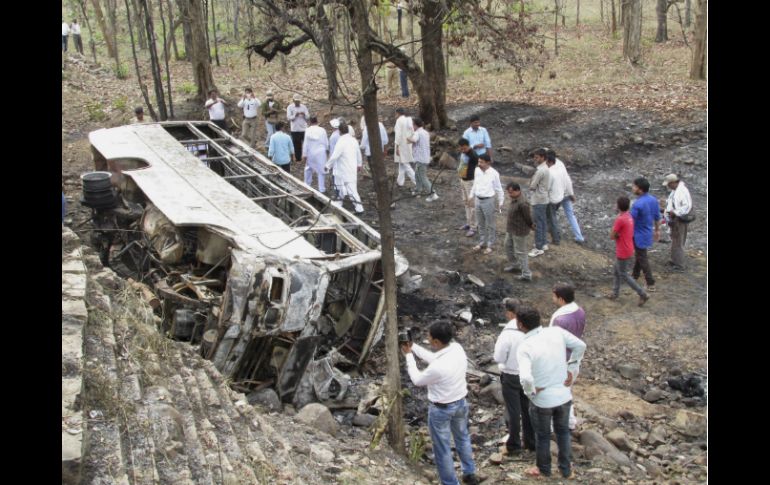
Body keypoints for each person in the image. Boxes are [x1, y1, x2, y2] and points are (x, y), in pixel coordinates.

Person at [401, 321, 480, 485]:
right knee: (463, 438)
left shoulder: (437, 368)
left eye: (429, 337)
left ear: (436, 342)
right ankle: (469, 473)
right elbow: (434, 357)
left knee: (442, 448)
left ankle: (450, 482)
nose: (427, 338)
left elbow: (417, 380)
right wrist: (414, 347)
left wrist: (409, 356)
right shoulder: (457, 348)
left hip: (442, 410)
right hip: (460, 403)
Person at [516, 306, 586, 479]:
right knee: (563, 433)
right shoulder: (556, 331)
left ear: (520, 324)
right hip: (563, 395)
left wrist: (530, 392)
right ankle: (566, 469)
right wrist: (572, 366)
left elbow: (525, 378)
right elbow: (580, 345)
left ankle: (544, 469)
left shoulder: (524, 346)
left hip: (542, 400)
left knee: (543, 435)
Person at [494, 298, 536, 456]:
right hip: (529, 375)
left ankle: (514, 445)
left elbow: (498, 357)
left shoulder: (508, 332)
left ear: (510, 313)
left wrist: (504, 364)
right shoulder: (533, 328)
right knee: (528, 409)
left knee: (513, 411)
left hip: (511, 375)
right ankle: (531, 442)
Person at [548, 283, 586, 430]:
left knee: (554, 393)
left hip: (561, 360)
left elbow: (553, 341)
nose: (552, 298)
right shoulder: (580, 311)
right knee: (567, 392)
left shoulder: (560, 319)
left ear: (561, 299)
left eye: (554, 296)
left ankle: (553, 425)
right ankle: (570, 422)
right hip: (574, 358)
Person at [608, 196, 650, 306]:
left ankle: (642, 294)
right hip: (628, 247)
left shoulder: (620, 219)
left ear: (618, 206)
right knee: (617, 271)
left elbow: (612, 236)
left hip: (622, 250)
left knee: (623, 274)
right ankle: (615, 293)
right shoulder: (629, 216)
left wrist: (615, 230)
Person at [546, 149, 585, 244]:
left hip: (557, 195)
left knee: (552, 215)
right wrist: (571, 194)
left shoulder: (549, 168)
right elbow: (567, 179)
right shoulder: (560, 164)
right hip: (566, 193)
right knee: (570, 215)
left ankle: (553, 233)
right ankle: (579, 237)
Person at [326, 122, 364, 213]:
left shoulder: (341, 141)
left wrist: (327, 165)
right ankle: (339, 203)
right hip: (351, 167)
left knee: (351, 190)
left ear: (339, 131)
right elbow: (358, 153)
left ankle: (359, 209)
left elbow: (335, 155)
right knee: (340, 187)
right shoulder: (353, 140)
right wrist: (359, 164)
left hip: (343, 169)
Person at [468, 154, 504, 254]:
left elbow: (499, 189)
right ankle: (482, 242)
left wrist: (501, 202)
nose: (479, 164)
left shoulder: (494, 173)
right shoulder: (477, 170)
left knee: (490, 223)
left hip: (488, 201)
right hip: (478, 200)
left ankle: (490, 244)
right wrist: (471, 196)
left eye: (481, 162)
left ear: (488, 162)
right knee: (480, 222)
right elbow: (475, 184)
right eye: (479, 162)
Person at [630, 177, 660, 291]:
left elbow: (630, 220)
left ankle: (650, 282)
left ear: (640, 189)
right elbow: (657, 217)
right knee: (640, 255)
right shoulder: (653, 200)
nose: (633, 188)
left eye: (634, 186)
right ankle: (635, 275)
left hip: (638, 234)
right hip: (647, 233)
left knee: (642, 258)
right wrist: (657, 230)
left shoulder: (638, 204)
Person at [503, 182, 534, 281]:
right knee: (507, 246)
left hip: (519, 231)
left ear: (518, 191)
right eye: (508, 192)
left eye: (511, 192)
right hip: (511, 229)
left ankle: (526, 274)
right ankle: (515, 265)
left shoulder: (523, 203)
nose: (509, 195)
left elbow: (528, 218)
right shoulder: (515, 199)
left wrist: (531, 226)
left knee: (521, 252)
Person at [663, 173, 692, 270]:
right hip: (675, 219)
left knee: (678, 242)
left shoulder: (682, 191)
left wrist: (675, 212)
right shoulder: (675, 190)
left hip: (679, 219)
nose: (668, 186)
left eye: (669, 184)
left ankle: (680, 265)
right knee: (675, 240)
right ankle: (675, 260)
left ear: (674, 182)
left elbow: (686, 206)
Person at [528, 148, 552, 257]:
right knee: (542, 222)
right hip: (544, 198)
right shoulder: (546, 168)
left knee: (537, 223)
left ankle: (538, 247)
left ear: (543, 157)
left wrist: (531, 184)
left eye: (537, 157)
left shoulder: (540, 170)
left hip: (538, 199)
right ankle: (543, 243)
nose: (535, 159)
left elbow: (532, 186)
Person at [411, 117, 438, 201]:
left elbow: (413, 140)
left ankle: (432, 194)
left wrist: (406, 137)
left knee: (422, 176)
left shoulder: (417, 133)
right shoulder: (425, 132)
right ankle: (418, 190)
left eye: (412, 124)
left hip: (420, 159)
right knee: (416, 174)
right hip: (425, 157)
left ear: (415, 125)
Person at [457, 138, 480, 237]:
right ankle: (469, 222)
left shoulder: (473, 155)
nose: (463, 150)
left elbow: (479, 168)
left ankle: (474, 226)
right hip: (463, 179)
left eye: (464, 148)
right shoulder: (463, 153)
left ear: (468, 146)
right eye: (461, 148)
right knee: (466, 202)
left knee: (472, 204)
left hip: (470, 181)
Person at [301, 116, 329, 193]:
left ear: (310, 122)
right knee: (321, 170)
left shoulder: (308, 130)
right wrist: (327, 150)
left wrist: (304, 154)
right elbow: (326, 142)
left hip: (311, 152)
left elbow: (306, 143)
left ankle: (307, 185)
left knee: (308, 168)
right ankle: (321, 189)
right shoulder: (322, 130)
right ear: (317, 121)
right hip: (320, 152)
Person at [393, 107, 417, 189]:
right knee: (402, 164)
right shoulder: (409, 120)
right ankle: (400, 182)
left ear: (398, 113)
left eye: (395, 113)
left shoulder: (399, 121)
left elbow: (398, 135)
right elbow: (413, 132)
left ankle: (417, 182)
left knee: (406, 165)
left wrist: (397, 147)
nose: (395, 115)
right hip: (408, 144)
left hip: (401, 145)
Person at [287, 94, 310, 161]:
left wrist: (304, 114)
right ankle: (298, 158)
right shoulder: (290, 107)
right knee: (297, 144)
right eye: (296, 101)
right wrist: (295, 115)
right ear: (293, 100)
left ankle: (307, 157)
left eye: (298, 101)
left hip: (303, 128)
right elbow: (288, 118)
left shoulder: (304, 107)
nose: (297, 102)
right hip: (295, 129)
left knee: (306, 143)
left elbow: (308, 117)